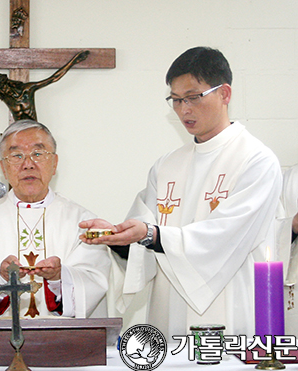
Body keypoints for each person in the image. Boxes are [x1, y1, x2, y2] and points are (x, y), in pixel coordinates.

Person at [80, 47, 282, 338]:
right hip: (168, 311)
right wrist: (114, 237)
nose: (183, 109)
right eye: (175, 100)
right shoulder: (166, 166)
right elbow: (143, 243)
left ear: (225, 94)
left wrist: (150, 234)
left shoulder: (256, 161)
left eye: (192, 97)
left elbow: (224, 238)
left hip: (228, 309)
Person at [0, 119, 111, 320]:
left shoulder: (82, 221)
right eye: (16, 155)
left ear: (55, 163)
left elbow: (94, 281)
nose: (28, 164)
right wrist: (0, 276)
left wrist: (58, 279)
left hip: (64, 344)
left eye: (38, 154)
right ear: (3, 167)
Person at [0, 50, 89, 121]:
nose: (3, 90)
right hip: (17, 133)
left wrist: (75, 60)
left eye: (3, 86)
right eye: (0, 89)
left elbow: (53, 78)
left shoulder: (27, 89)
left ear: (7, 82)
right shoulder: (4, 96)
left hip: (33, 129)